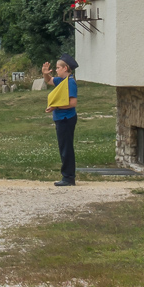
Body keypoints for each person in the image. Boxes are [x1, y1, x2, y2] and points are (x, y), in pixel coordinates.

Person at [42, 53, 80, 187]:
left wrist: (55, 106)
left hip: (66, 118)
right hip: (60, 118)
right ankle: (67, 176)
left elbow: (73, 102)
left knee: (66, 148)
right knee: (63, 147)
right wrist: (45, 73)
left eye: (58, 67)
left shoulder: (70, 82)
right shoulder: (61, 81)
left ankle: (68, 177)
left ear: (65, 68)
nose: (56, 69)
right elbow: (49, 80)